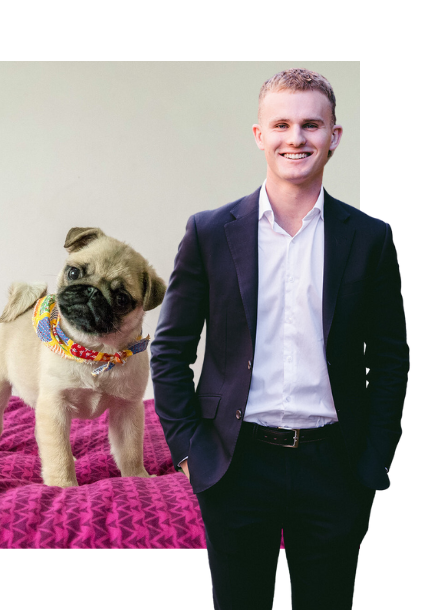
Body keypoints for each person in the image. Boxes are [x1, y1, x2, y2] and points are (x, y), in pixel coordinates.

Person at [149, 68, 409, 610]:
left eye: (311, 124)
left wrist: (374, 458)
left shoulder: (370, 238)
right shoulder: (208, 232)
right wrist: (191, 453)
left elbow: (390, 359)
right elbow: (170, 350)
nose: (297, 138)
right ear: (260, 135)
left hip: (336, 467)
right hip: (235, 464)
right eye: (282, 124)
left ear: (334, 135)